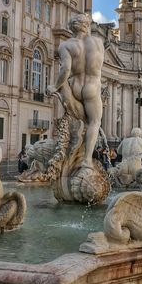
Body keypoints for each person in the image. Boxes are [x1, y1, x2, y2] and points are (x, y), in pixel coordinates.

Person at [47, 13, 104, 171]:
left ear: (72, 27)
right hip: (92, 87)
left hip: (76, 87)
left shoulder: (66, 45)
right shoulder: (98, 43)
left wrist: (55, 86)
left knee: (79, 122)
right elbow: (98, 67)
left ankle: (72, 152)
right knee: (94, 122)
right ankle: (86, 160)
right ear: (87, 26)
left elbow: (65, 70)